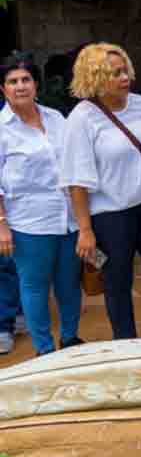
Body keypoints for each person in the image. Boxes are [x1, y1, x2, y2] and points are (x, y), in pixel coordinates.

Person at [63, 44, 141, 340]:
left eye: (125, 71)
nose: (125, 78)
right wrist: (85, 230)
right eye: (115, 73)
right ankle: (126, 342)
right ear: (95, 78)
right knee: (117, 281)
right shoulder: (82, 118)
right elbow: (76, 181)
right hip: (109, 215)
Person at [0, 53, 82, 355]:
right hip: (29, 222)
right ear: (3, 89)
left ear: (36, 84)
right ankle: (44, 350)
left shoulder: (56, 118)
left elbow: (75, 163)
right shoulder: (2, 129)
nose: (20, 86)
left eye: (26, 79)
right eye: (13, 81)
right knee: (34, 286)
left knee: (69, 284)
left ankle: (70, 339)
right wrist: (2, 226)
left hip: (68, 217)